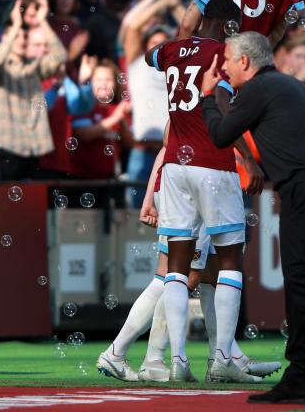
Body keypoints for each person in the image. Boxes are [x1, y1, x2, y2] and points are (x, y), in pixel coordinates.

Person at [198, 31, 305, 407]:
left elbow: (222, 134)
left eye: (226, 59)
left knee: (302, 281)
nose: (222, 66)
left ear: (244, 62)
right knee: (300, 280)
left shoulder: (258, 89)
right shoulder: (293, 86)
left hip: (303, 188)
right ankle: (297, 376)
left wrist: (208, 95)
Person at [98, 123, 279, 384]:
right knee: (182, 275)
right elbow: (169, 141)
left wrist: (150, 194)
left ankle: (226, 356)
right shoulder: (214, 90)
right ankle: (136, 354)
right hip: (198, 186)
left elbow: (168, 142)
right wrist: (249, 157)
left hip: (194, 183)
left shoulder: (196, 90)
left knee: (210, 273)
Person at [144, 0, 261, 384]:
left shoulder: (174, 49)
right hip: (214, 165)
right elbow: (226, 112)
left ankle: (178, 360)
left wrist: (186, 28)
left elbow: (149, 57)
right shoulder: (222, 57)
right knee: (229, 262)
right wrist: (249, 157)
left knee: (176, 268)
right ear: (230, 27)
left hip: (175, 166)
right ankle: (223, 356)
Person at [0, 0, 66, 180]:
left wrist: (42, 21)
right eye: (16, 36)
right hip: (4, 144)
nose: (21, 40)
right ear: (5, 38)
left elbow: (60, 55)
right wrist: (16, 27)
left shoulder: (33, 68)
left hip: (31, 145)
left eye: (24, 37)